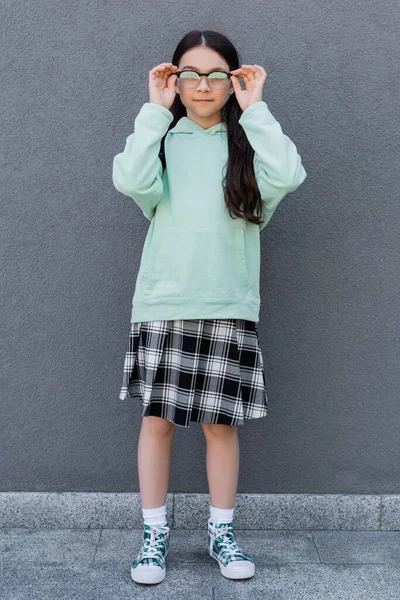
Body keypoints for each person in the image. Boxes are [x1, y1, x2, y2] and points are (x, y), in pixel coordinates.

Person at [112, 29, 307, 585]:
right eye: (189, 75)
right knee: (158, 420)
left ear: (233, 81)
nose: (203, 86)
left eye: (216, 75)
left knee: (221, 425)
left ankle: (222, 532)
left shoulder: (248, 145)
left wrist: (257, 110)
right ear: (174, 80)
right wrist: (153, 112)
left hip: (228, 300)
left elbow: (290, 175)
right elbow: (128, 179)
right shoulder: (164, 139)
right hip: (163, 300)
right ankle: (154, 535)